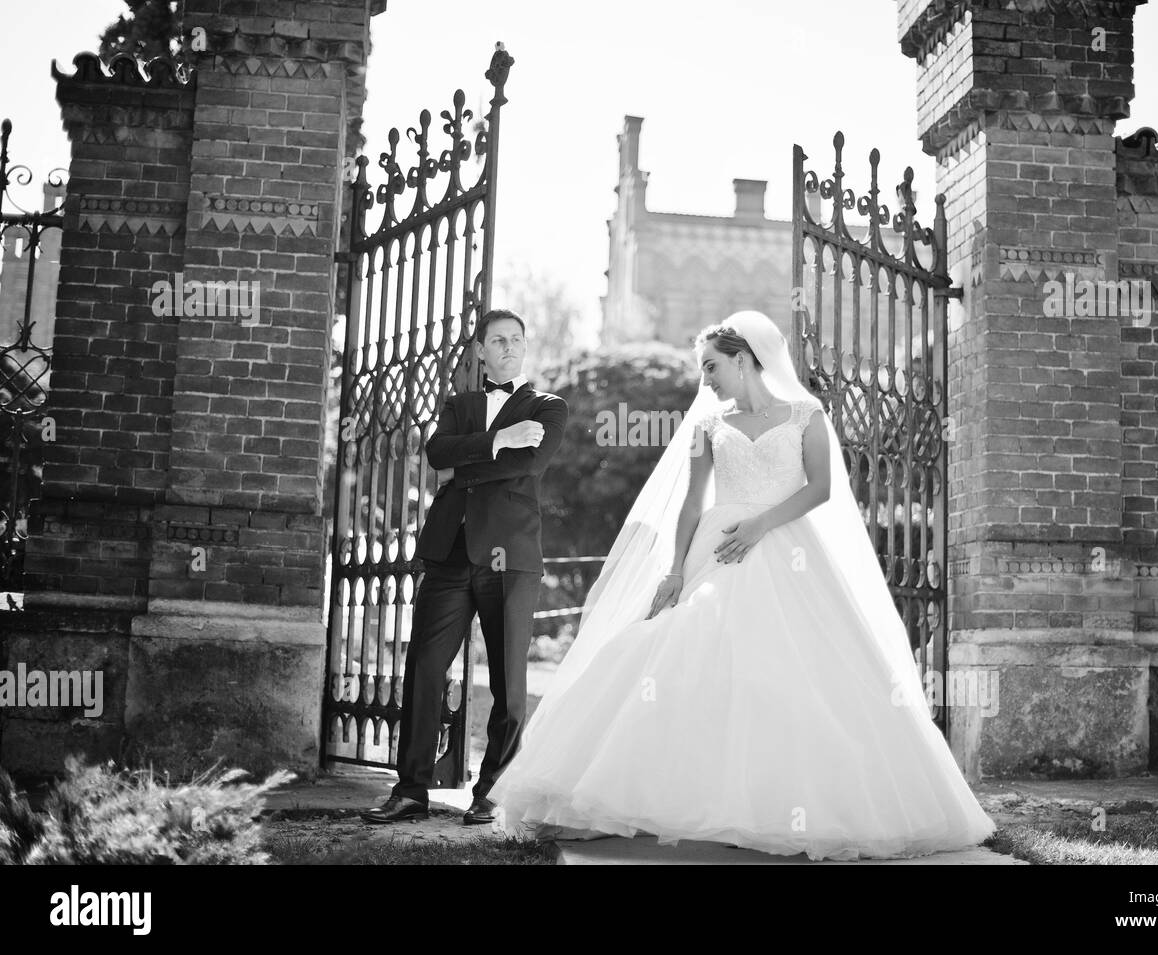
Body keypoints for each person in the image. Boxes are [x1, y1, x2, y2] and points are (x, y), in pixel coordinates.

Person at [486, 310, 995, 860]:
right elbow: (690, 503)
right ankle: (652, 795)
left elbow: (821, 488)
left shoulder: (806, 414)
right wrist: (675, 570)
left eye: (711, 367)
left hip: (786, 548)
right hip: (715, 549)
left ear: (744, 359)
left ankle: (781, 804)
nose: (705, 379)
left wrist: (759, 525)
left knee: (801, 667)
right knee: (674, 650)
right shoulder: (708, 426)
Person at [361, 308, 568, 826]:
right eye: (497, 340)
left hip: (511, 560)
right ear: (480, 351)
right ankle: (410, 790)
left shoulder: (549, 407)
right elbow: (436, 454)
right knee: (425, 669)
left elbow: (531, 464)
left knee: (508, 682)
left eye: (516, 339)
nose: (508, 347)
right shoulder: (461, 403)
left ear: (525, 345)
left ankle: (491, 790)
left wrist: (467, 463)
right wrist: (498, 441)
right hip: (451, 553)